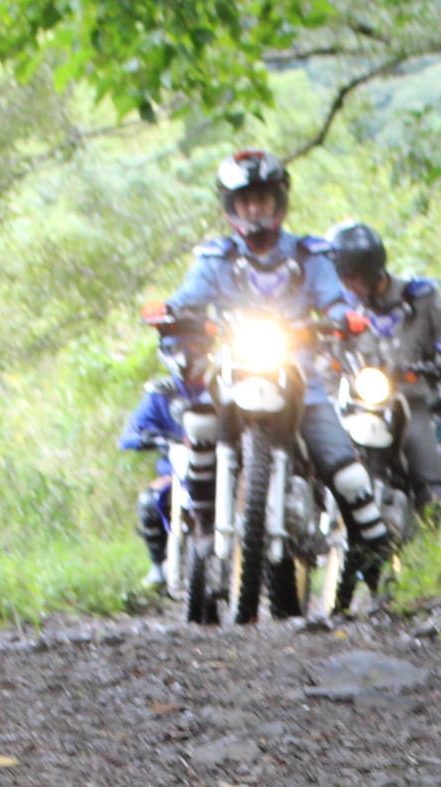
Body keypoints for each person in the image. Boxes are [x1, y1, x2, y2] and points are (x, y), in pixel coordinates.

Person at [164, 150, 390, 580]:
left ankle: (375, 560)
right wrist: (169, 314)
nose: (255, 209)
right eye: (246, 201)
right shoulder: (215, 258)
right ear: (232, 207)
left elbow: (334, 299)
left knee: (347, 472)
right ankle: (201, 522)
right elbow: (186, 298)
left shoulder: (310, 255)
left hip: (298, 375)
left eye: (263, 200)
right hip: (232, 368)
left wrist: (344, 316)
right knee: (199, 423)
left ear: (279, 203)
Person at [328, 221, 441, 514]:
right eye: (343, 278)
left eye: (353, 276)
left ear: (371, 269)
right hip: (356, 406)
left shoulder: (420, 298)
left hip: (411, 402)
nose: (348, 284)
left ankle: (437, 533)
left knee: (432, 489)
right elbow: (325, 355)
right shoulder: (341, 311)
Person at [119, 368, 192, 590]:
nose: (188, 354)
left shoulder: (223, 386)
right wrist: (151, 438)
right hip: (178, 473)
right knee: (150, 501)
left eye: (196, 346)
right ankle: (158, 565)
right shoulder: (162, 394)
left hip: (229, 472)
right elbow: (129, 435)